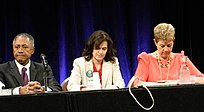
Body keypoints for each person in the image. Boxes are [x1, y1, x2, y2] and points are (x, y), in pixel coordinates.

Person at [131, 23, 204, 87]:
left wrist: (186, 79)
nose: (166, 50)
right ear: (155, 42)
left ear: (173, 41)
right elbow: (137, 84)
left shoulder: (181, 59)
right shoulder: (146, 59)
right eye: (162, 46)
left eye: (169, 45)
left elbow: (202, 80)